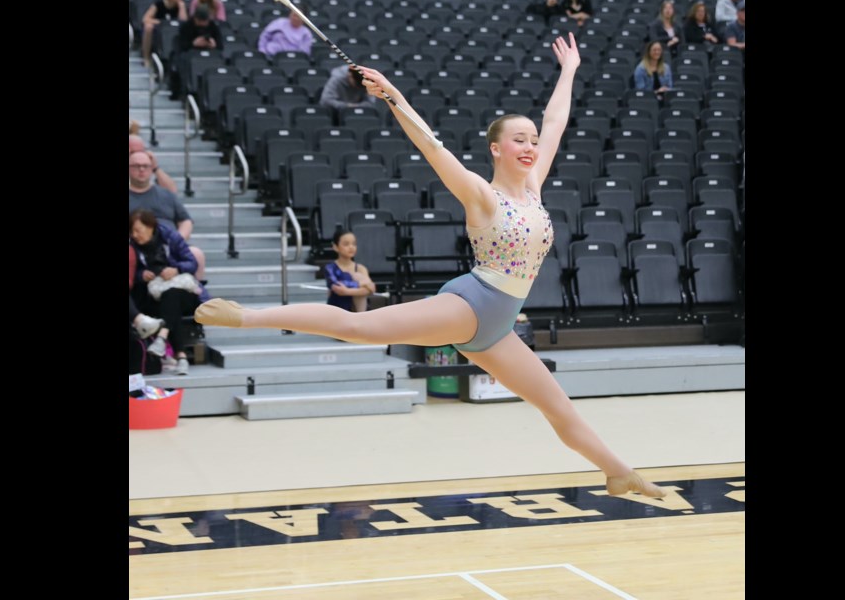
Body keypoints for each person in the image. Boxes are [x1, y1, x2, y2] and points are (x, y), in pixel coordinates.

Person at [196, 32, 667, 499]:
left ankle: (618, 471)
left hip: (497, 329)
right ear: (496, 149)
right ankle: (247, 316)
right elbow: (432, 146)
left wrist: (569, 71)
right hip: (473, 303)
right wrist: (395, 98)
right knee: (359, 328)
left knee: (559, 409)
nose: (530, 145)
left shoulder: (534, 187)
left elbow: (556, 119)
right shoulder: (482, 195)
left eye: (533, 140)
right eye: (518, 140)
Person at [130, 209, 208, 375]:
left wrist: (176, 269)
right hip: (153, 293)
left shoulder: (171, 237)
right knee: (169, 301)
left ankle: (163, 340)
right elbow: (132, 273)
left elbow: (192, 263)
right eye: (132, 231)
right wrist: (141, 275)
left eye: (138, 230)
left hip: (184, 291)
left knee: (171, 294)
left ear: (150, 226)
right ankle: (180, 356)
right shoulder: (133, 246)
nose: (135, 235)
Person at [129, 151, 206, 281]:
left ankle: (197, 297)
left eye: (146, 166)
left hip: (169, 245)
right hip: (137, 248)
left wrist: (176, 240)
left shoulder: (166, 195)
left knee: (196, 254)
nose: (141, 169)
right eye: (136, 166)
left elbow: (185, 221)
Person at [171, 5, 225, 99]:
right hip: (190, 54)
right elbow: (181, 46)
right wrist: (194, 44)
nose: (204, 24)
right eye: (201, 21)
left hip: (210, 55)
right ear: (196, 19)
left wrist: (214, 45)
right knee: (180, 60)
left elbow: (220, 46)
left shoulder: (213, 26)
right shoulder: (186, 26)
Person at [325, 230, 376, 312]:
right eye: (346, 244)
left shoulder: (360, 268)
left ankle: (360, 318)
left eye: (354, 244)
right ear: (335, 247)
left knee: (358, 276)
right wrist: (360, 284)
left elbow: (369, 289)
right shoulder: (330, 268)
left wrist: (346, 291)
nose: (351, 247)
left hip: (357, 309)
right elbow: (336, 286)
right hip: (337, 310)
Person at [142, 0, 188, 67]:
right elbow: (145, 19)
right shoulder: (158, 5)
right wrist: (160, 22)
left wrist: (182, 7)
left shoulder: (180, 6)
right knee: (148, 27)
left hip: (174, 30)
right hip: (159, 28)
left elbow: (183, 21)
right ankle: (146, 57)